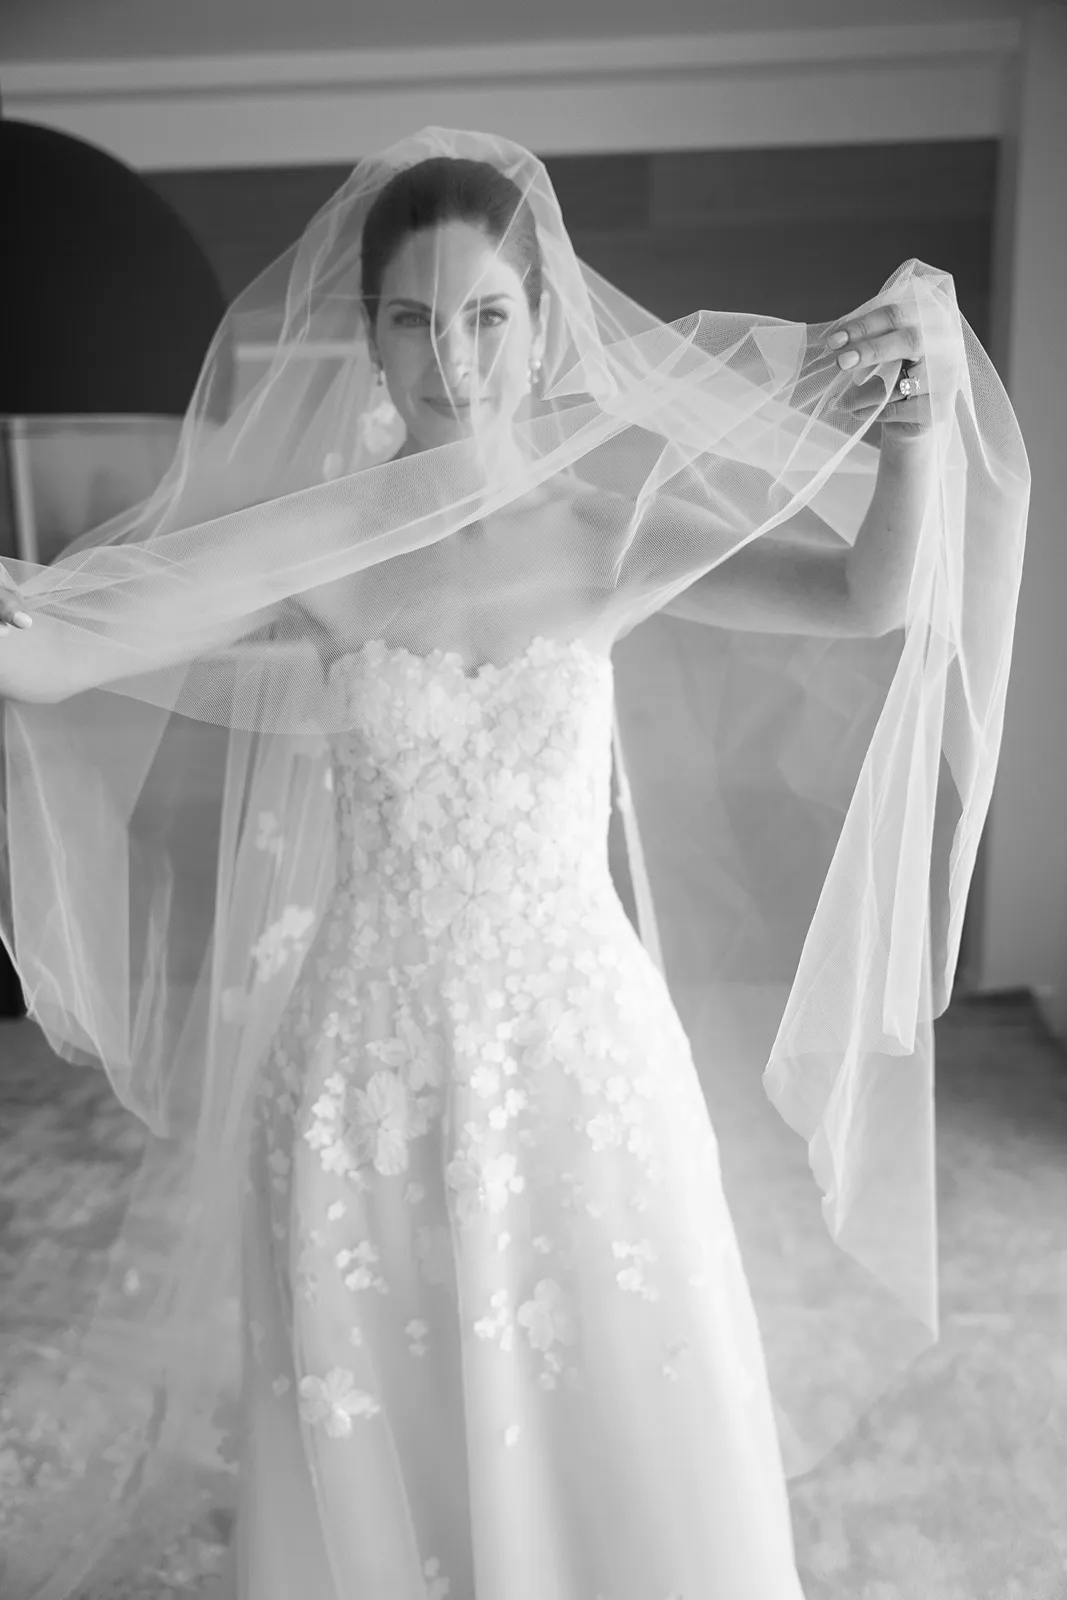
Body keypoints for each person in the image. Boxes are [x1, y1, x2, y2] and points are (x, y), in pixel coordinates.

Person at [0, 131, 1028, 1598]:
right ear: (370, 341)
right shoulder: (321, 545)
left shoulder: (598, 533)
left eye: (484, 315)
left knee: (611, 1387)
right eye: (414, 320)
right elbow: (56, 656)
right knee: (392, 1426)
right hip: (362, 1065)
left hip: (571, 1045)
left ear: (539, 328)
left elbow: (867, 599)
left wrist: (915, 432)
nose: (453, 358)